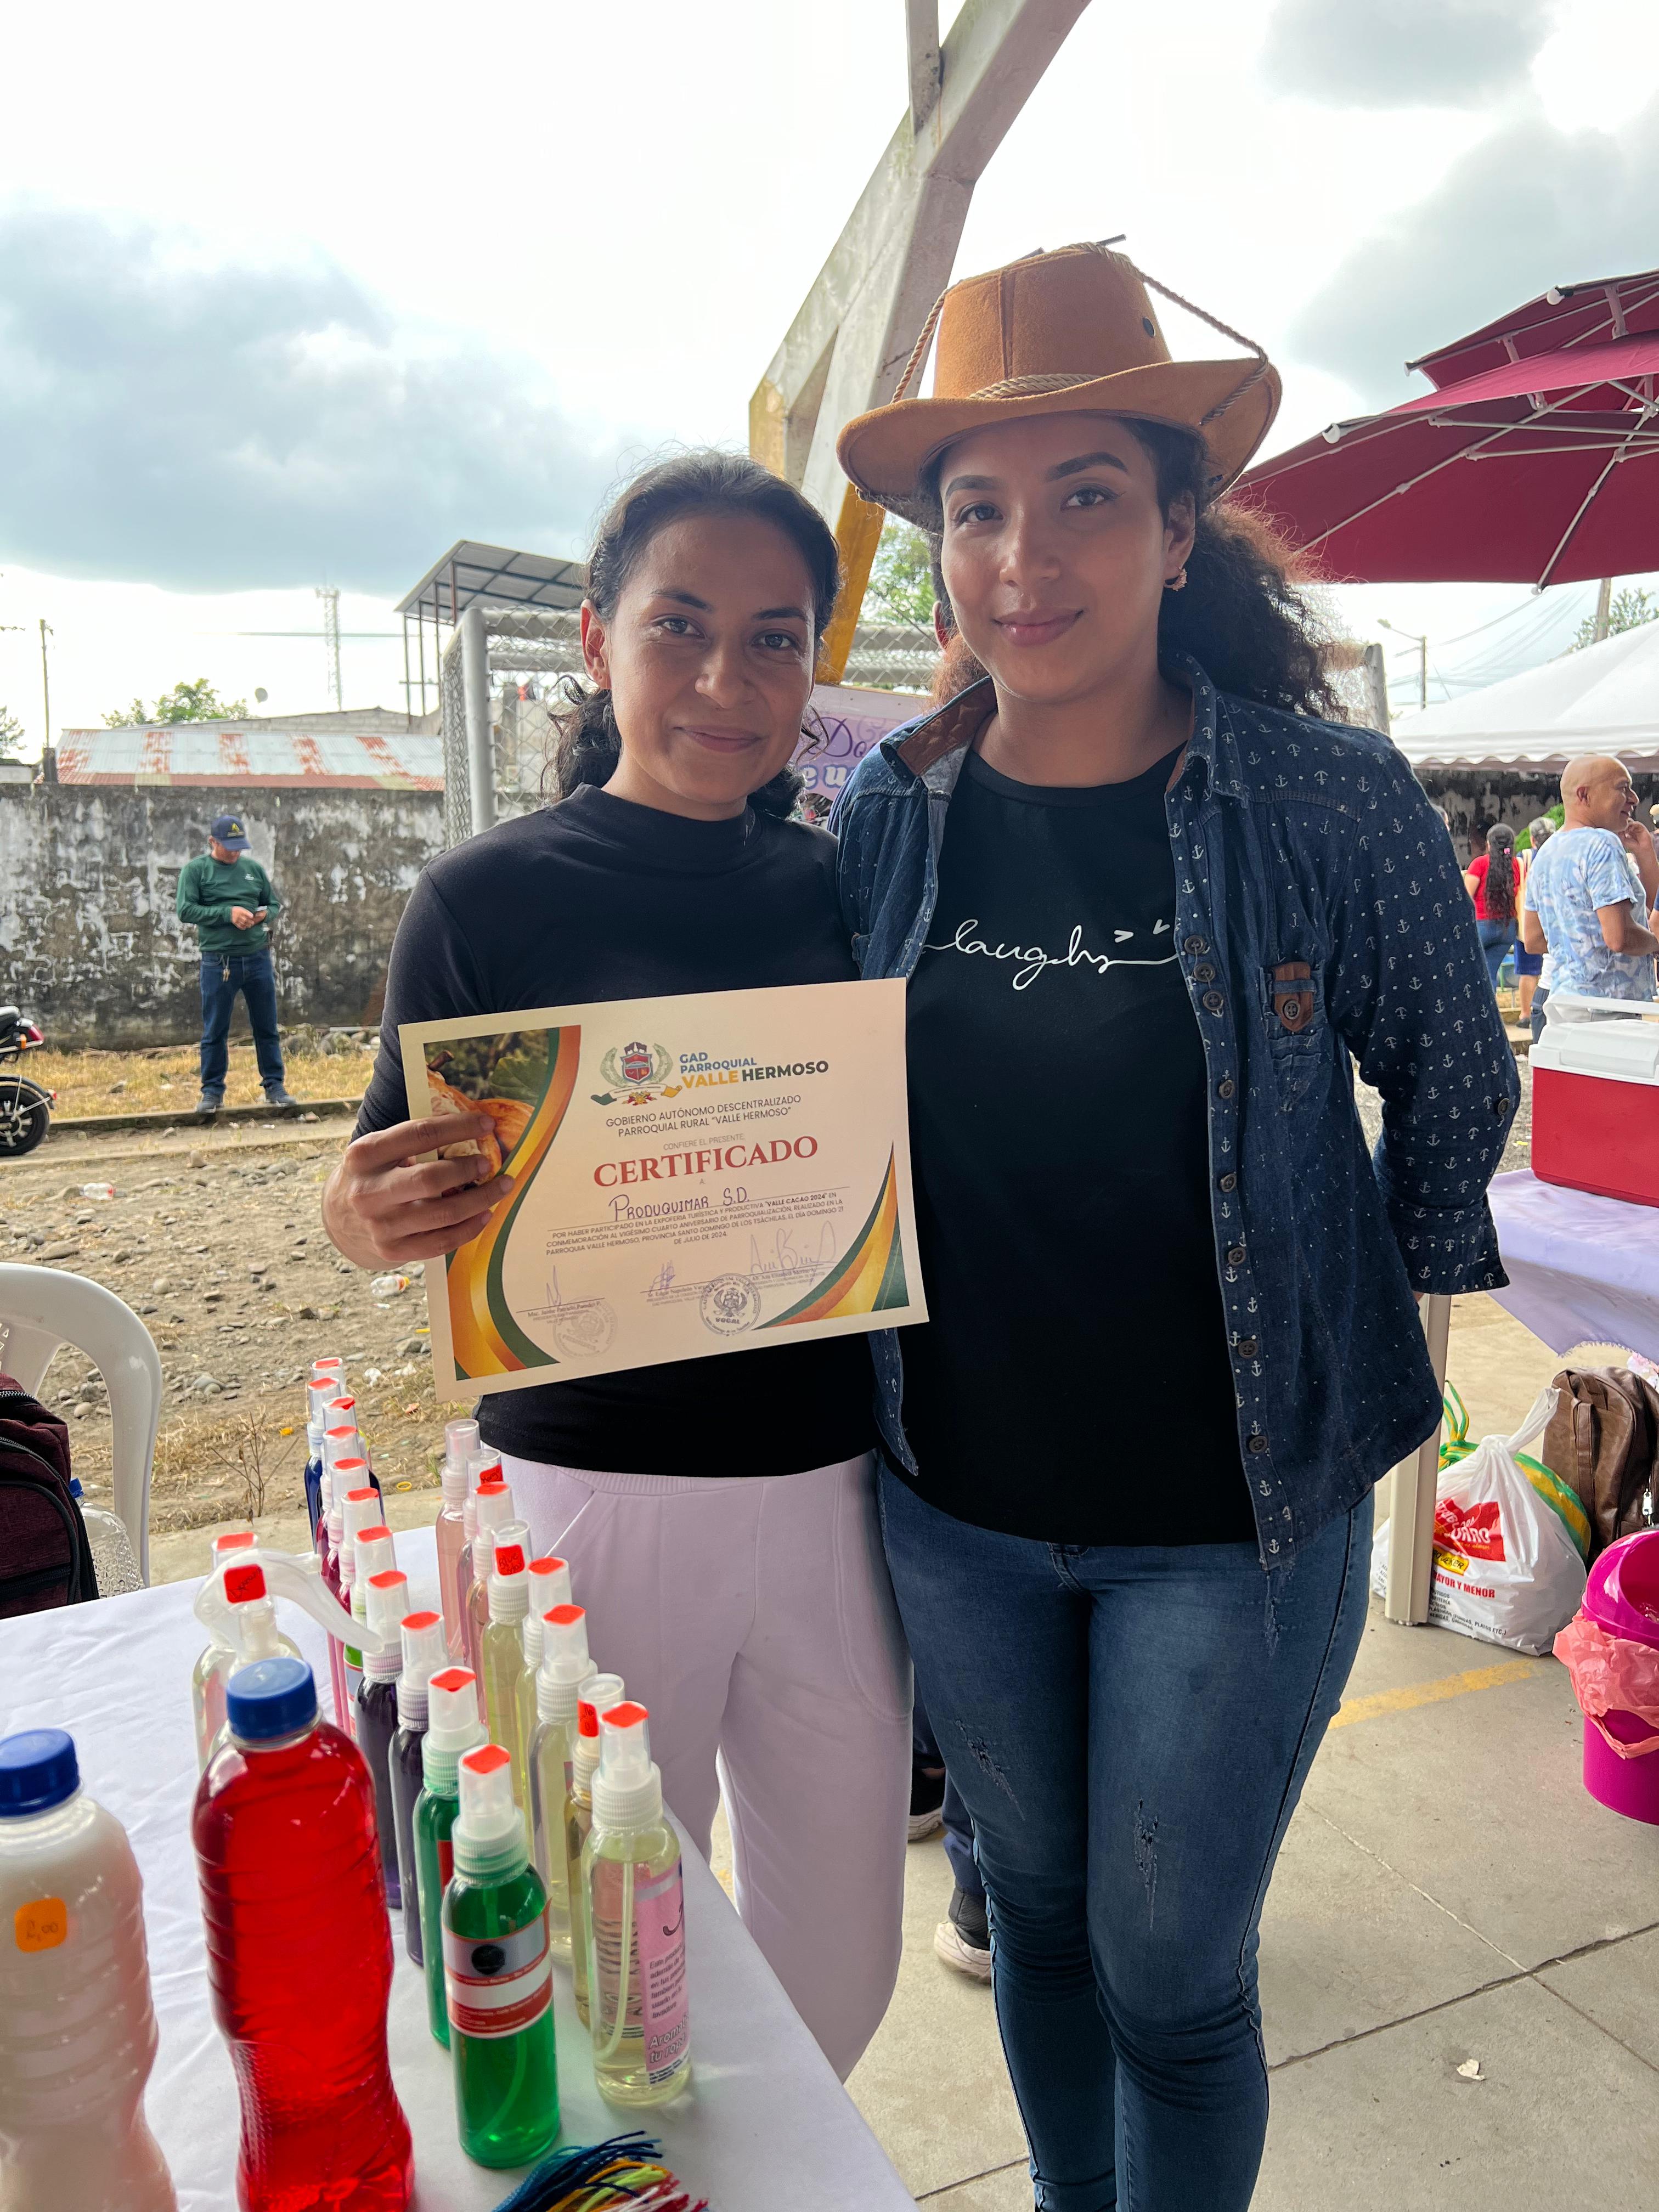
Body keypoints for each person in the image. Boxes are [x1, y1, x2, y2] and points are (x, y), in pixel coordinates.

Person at [831, 242, 1519, 2209]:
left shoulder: (1325, 798)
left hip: (1231, 1524)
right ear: (939, 551)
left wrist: (1352, 1318)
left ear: (1176, 526)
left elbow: (1452, 1078)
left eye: (1082, 497)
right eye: (977, 509)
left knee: (1172, 1973)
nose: (1022, 557)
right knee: (1038, 1927)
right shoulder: (891, 809)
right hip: (952, 1505)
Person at [319, 453, 909, 2081]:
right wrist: (362, 1220)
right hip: (587, 1495)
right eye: (681, 627)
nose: (728, 680)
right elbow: (381, 1180)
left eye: (776, 639)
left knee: (841, 1966)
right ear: (596, 638)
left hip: (837, 1486)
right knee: (616, 1962)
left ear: (815, 662)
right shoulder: (486, 899)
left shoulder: (851, 888)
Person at [1522, 754, 1659, 1042]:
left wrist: (1644, 853)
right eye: (1622, 788)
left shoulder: (1546, 853)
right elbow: (1619, 937)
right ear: (1584, 795)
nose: (1634, 798)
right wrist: (1656, 944)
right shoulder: (1601, 843)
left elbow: (1533, 940)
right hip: (1608, 1009)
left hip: (1563, 1003)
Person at [175, 812, 298, 1118]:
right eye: (228, 847)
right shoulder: (196, 871)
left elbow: (273, 904)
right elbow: (186, 910)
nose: (235, 853)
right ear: (212, 842)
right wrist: (228, 913)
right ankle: (212, 1091)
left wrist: (263, 915)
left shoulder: (253, 870)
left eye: (239, 847)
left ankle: (275, 1086)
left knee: (266, 1026)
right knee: (215, 1029)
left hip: (258, 957)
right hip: (219, 961)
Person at [1463, 822, 1520, 993]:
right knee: (1490, 975)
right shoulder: (1517, 865)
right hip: (1507, 928)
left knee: (1469, 975)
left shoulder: (1479, 864)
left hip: (1481, 927)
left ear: (1489, 844)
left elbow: (1465, 898)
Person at [1514, 816, 1553, 1024]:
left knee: (1528, 970)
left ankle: (1525, 1014)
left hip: (1528, 921)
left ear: (1532, 839)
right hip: (1555, 922)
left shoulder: (1524, 858)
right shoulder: (1561, 855)